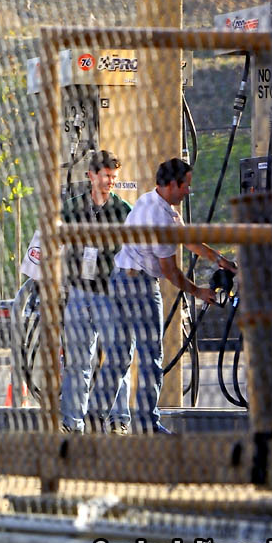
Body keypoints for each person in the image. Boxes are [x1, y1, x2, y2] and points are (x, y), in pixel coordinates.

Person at [100, 158, 237, 434]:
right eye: (185, 185)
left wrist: (218, 259)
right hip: (139, 286)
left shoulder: (151, 202)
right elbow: (170, 271)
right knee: (150, 355)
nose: (188, 190)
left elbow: (186, 238)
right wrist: (199, 292)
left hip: (119, 280)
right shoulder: (160, 217)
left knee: (117, 356)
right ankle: (147, 424)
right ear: (173, 184)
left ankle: (91, 418)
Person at [59, 150, 133, 434]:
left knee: (116, 358)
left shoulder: (123, 211)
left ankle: (118, 419)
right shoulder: (72, 207)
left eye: (114, 177)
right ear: (91, 175)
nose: (110, 182)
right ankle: (72, 422)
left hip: (109, 292)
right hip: (79, 290)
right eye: (106, 176)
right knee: (77, 361)